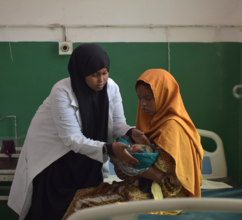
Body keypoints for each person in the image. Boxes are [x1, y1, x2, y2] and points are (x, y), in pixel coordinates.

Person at [8, 44, 149, 220]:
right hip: (57, 161)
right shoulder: (62, 91)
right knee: (55, 210)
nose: (101, 80)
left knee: (86, 209)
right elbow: (72, 139)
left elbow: (117, 124)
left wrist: (131, 131)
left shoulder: (111, 88)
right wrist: (111, 149)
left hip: (89, 160)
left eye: (105, 72)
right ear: (81, 73)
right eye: (94, 74)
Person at [62, 69, 204, 219]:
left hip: (163, 195)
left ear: (164, 95)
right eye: (140, 98)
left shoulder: (172, 129)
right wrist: (121, 168)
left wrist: (120, 160)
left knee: (83, 204)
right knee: (80, 194)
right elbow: (142, 163)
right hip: (142, 185)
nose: (143, 104)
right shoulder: (151, 121)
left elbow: (157, 174)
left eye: (149, 98)